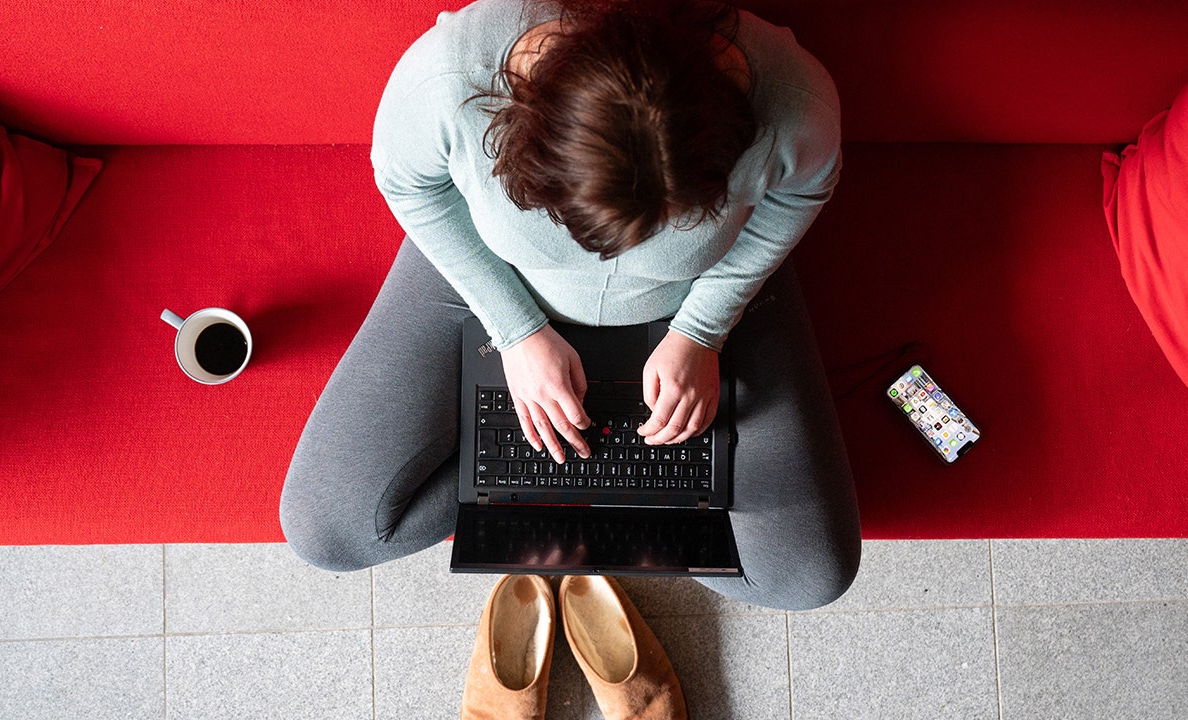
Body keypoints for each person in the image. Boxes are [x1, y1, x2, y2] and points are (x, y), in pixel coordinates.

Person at [280, 0, 861, 611]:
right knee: (326, 532)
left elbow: (799, 195)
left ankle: (559, 488)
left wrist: (702, 329)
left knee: (808, 578)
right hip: (497, 277)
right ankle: (566, 484)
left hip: (702, 291)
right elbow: (406, 183)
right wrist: (515, 331)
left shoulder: (794, 101)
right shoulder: (450, 78)